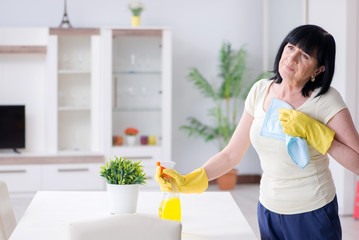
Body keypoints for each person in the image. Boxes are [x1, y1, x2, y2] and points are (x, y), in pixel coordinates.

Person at [155, 24, 359, 240]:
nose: (292, 58)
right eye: (290, 48)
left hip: (312, 212)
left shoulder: (325, 100)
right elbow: (231, 154)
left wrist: (319, 134)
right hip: (268, 210)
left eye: (305, 55)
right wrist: (190, 180)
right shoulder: (260, 90)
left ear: (319, 69)